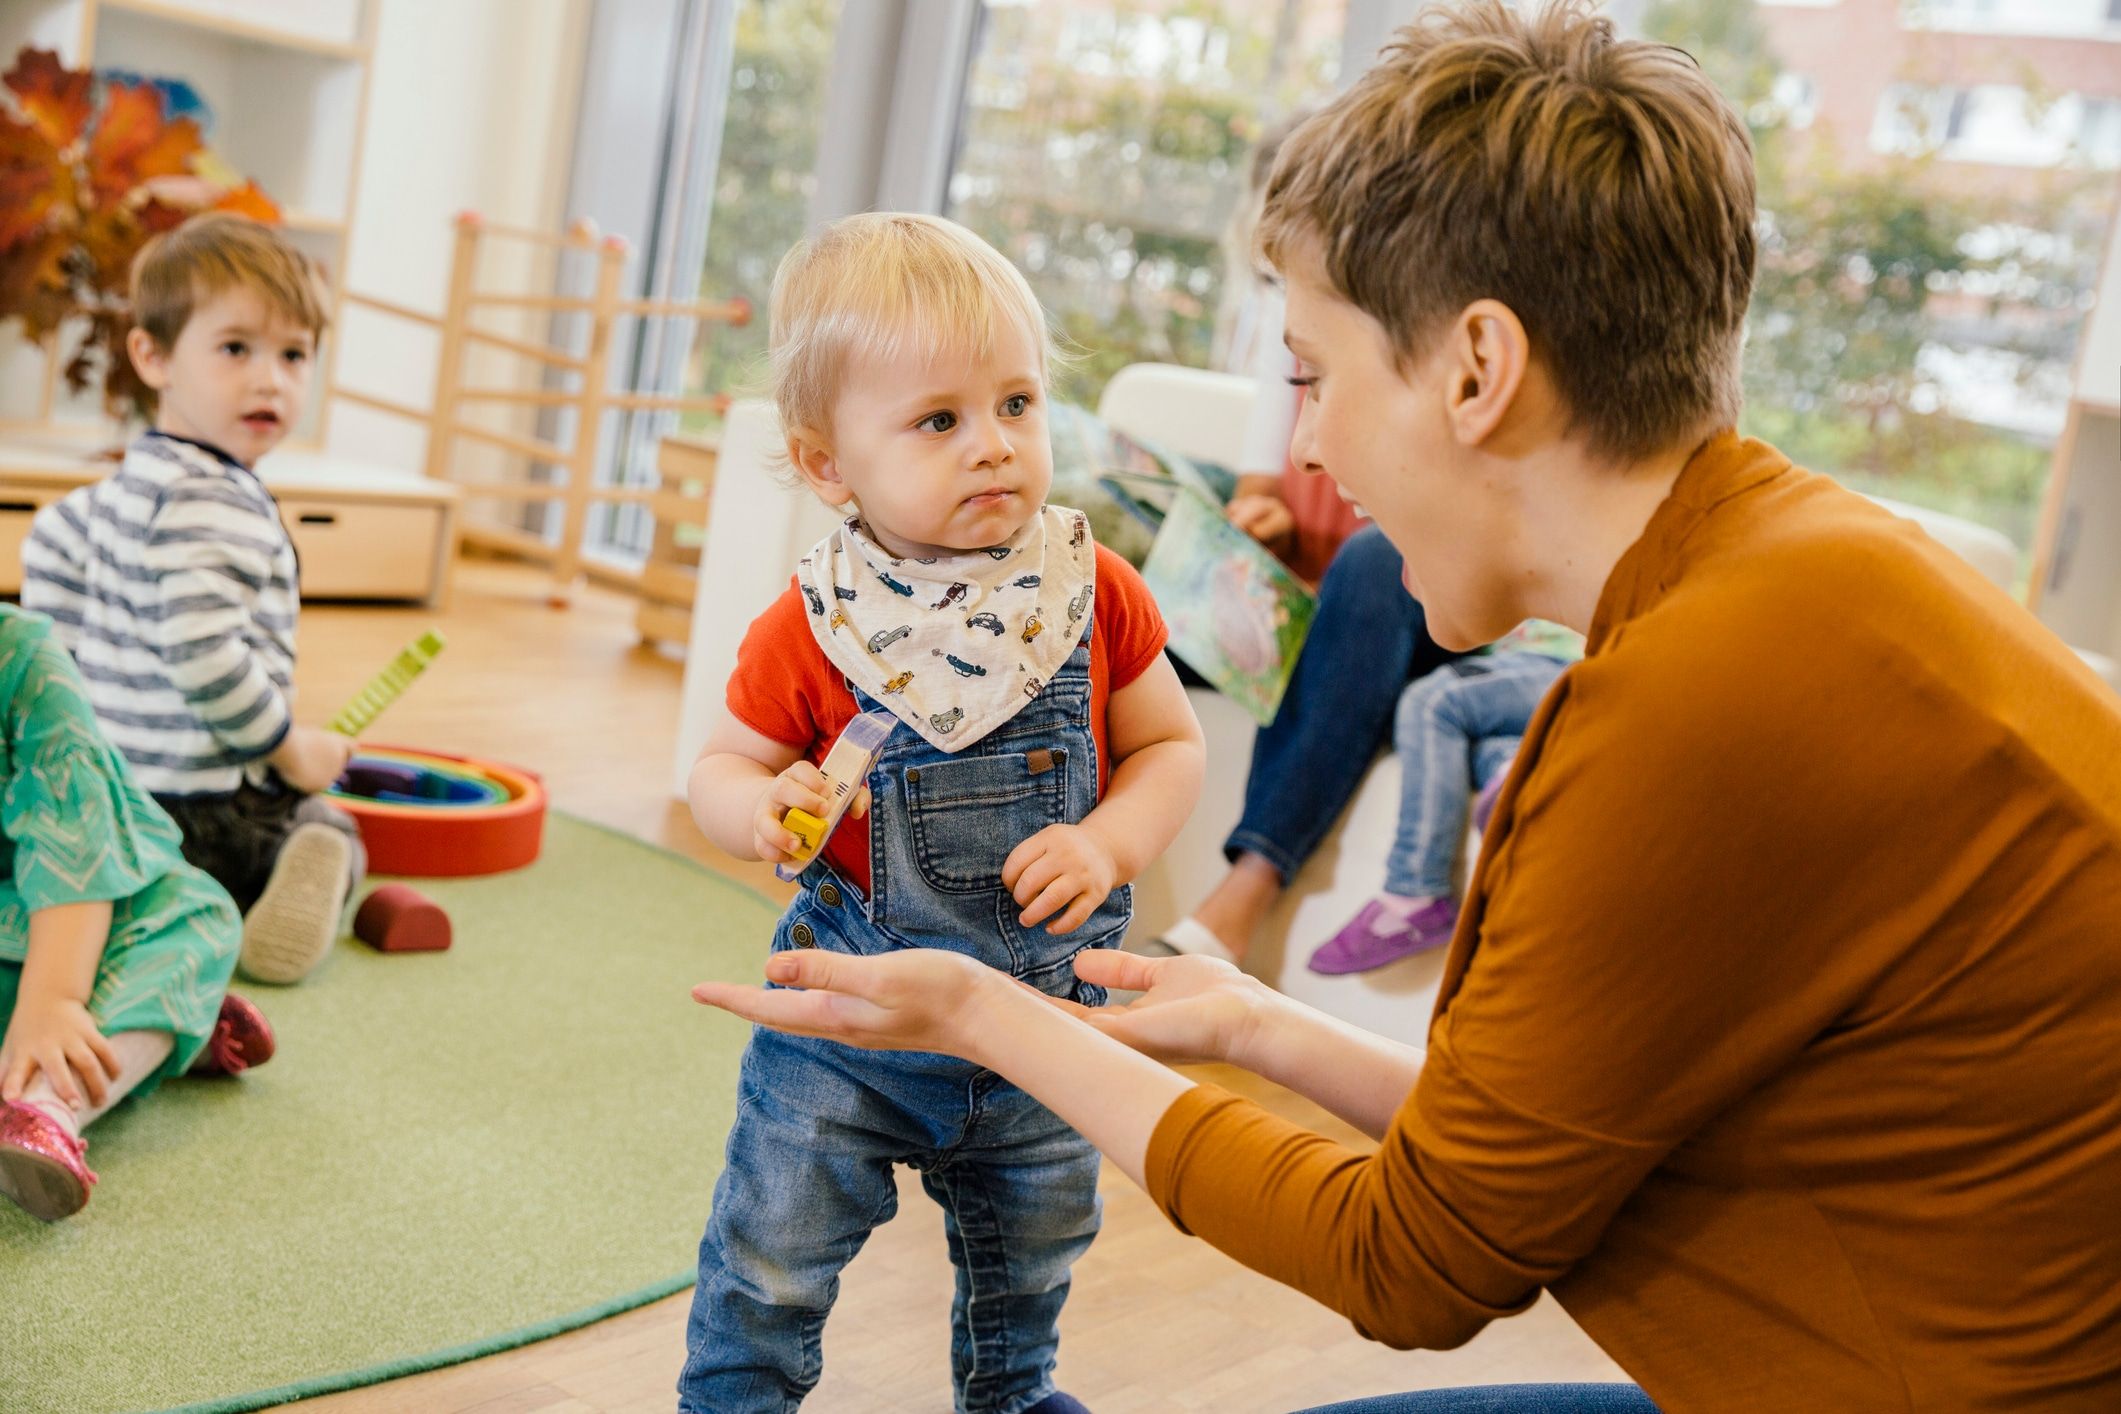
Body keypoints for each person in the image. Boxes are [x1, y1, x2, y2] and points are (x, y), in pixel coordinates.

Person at [691, 5, 2121, 1411]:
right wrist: (1256, 1023)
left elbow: (1415, 1259)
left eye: (1313, 373)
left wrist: (982, 1013)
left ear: (1477, 370)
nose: (1305, 442)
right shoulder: (1816, 567)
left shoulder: (1682, 713)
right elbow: (1510, 1155)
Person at [678, 212, 1204, 1413]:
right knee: (769, 1255)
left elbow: (1171, 743)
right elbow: (719, 765)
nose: (994, 448)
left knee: (1035, 1262)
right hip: (850, 1030)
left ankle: (1012, 1397)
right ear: (828, 466)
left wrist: (1109, 839)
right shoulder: (815, 622)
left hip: (1048, 1026)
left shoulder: (1089, 587)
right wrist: (761, 806)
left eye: (1017, 404)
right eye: (939, 420)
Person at [1155, 120, 1468, 971]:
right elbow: (1269, 482)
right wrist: (1259, 519)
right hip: (1302, 593)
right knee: (1133, 629)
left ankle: (1237, 904)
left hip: (1392, 612)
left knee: (1374, 567)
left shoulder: (1412, 327)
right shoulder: (1288, 325)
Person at [23, 214, 366, 987]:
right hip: (207, 808)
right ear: (152, 356)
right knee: (330, 824)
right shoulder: (220, 502)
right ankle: (277, 878)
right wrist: (292, 748)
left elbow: (48, 598)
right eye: (235, 348)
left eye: (294, 354)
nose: (270, 379)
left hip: (109, 805)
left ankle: (115, 902)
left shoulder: (99, 500)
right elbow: (206, 656)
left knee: (117, 875)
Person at [0, 605, 267, 1222]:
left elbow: (75, 842)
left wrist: (54, 998)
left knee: (196, 918)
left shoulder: (24, 658)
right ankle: (164, 1025)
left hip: (66, 914)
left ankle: (44, 1106)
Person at [1307, 624, 1577, 975]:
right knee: (1470, 741)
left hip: (1570, 664)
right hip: (1526, 670)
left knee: (1431, 700)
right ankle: (1513, 772)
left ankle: (1414, 888)